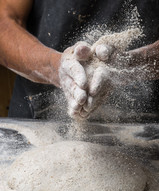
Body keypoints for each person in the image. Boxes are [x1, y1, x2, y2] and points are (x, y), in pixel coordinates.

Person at [0, 0, 158, 121]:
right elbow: (4, 22)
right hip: (36, 120)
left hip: (147, 129)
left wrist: (134, 63)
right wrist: (55, 66)